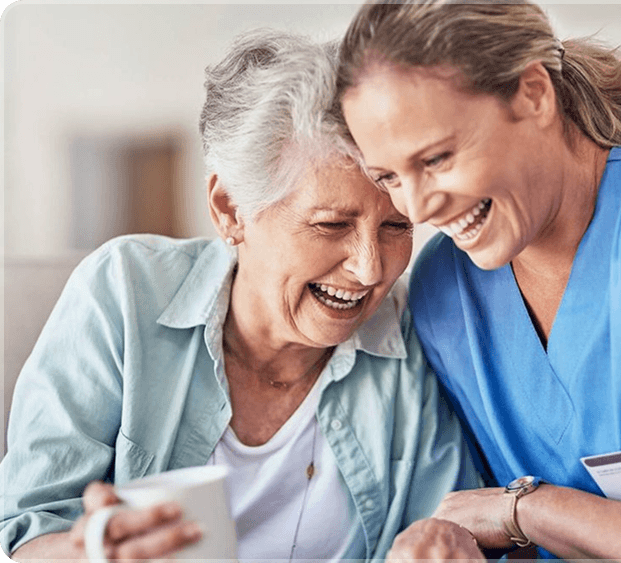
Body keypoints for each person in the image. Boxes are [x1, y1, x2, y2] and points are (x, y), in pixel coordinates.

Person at [1, 28, 479, 561]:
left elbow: (454, 521)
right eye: (331, 225)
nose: (370, 269)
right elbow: (22, 533)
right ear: (230, 209)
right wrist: (93, 552)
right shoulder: (124, 292)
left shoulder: (412, 332)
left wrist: (450, 539)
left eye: (397, 226)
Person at [335, 1, 621, 560]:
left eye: (438, 158)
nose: (419, 208)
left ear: (534, 94)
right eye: (390, 177)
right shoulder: (445, 288)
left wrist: (523, 510)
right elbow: (490, 526)